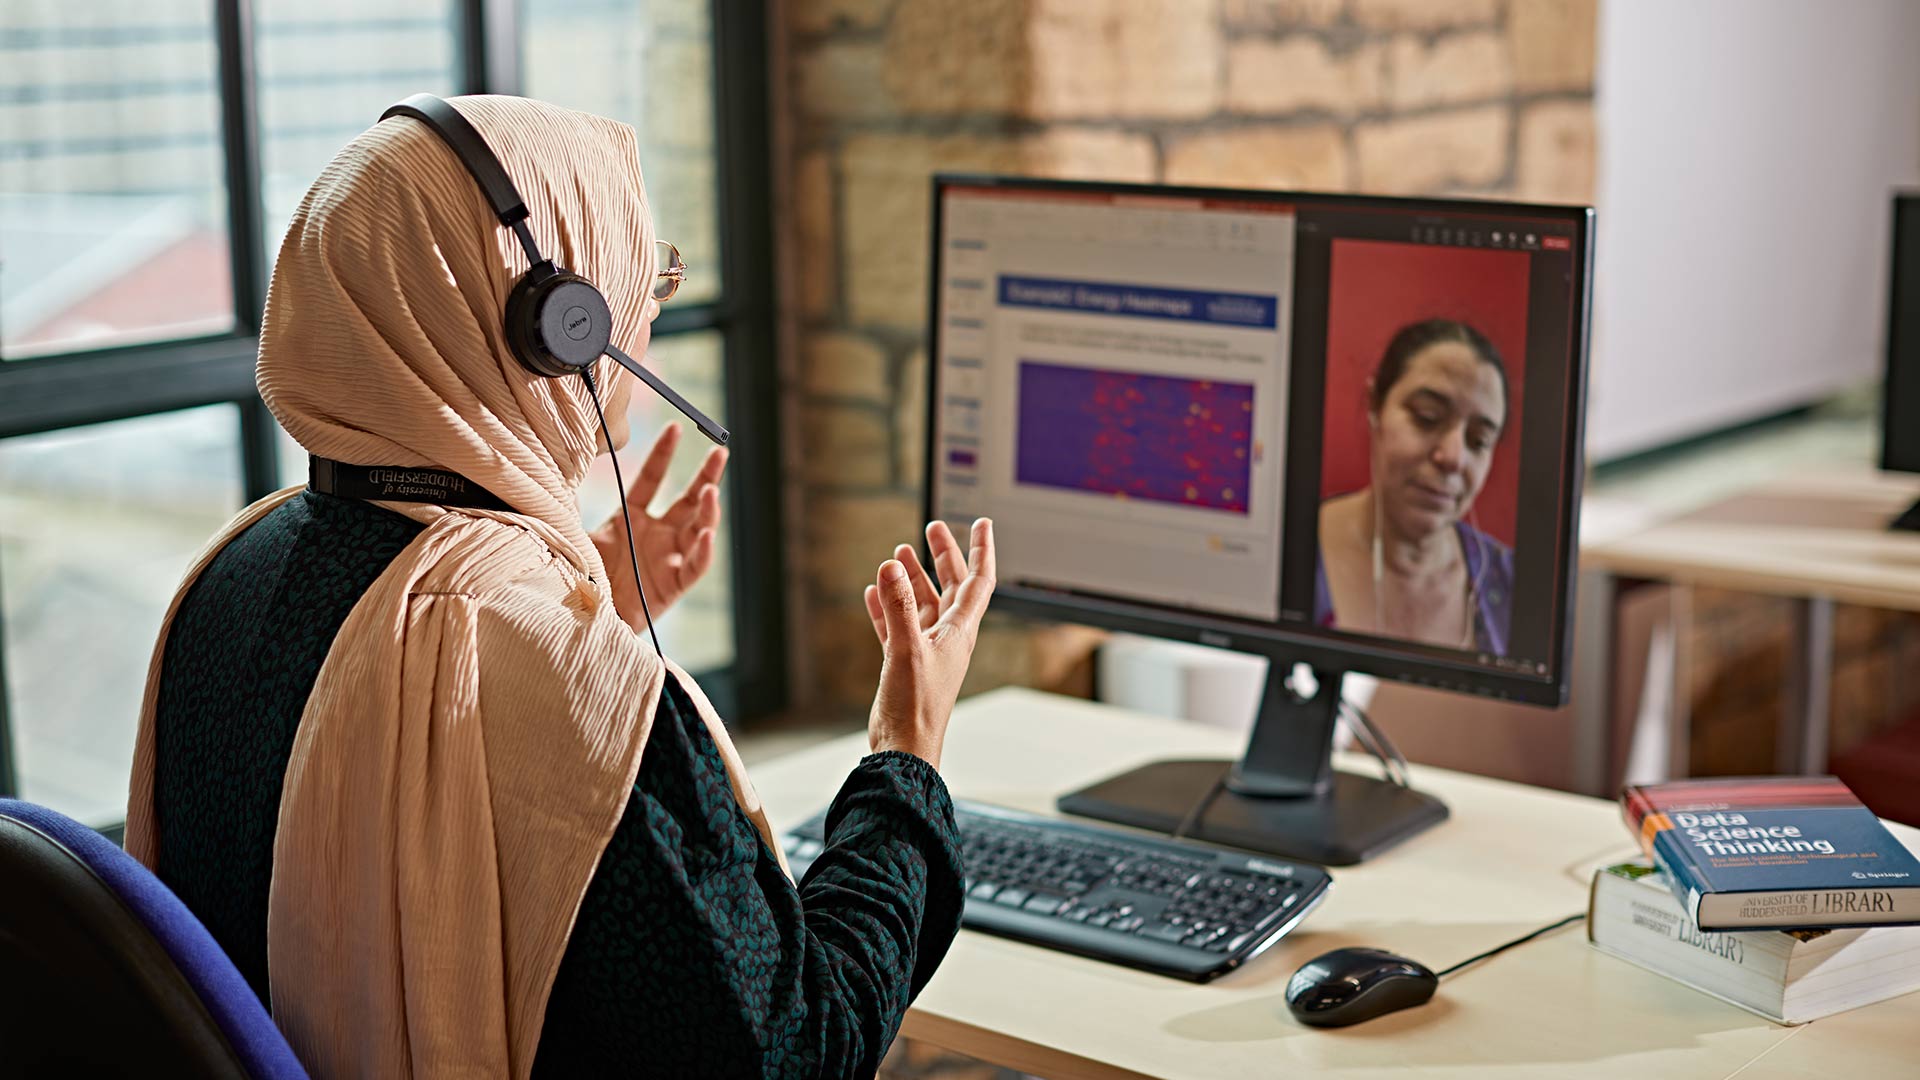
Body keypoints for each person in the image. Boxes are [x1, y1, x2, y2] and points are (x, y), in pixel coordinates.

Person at [121, 95, 995, 1078]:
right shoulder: (574, 704)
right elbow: (799, 1048)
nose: (649, 307)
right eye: (643, 276)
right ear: (558, 328)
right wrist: (905, 756)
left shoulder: (237, 568)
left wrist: (590, 609)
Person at [1315, 318, 1514, 656]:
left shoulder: (1511, 586)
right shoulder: (1282, 553)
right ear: (1375, 405)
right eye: (1427, 417)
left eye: (1478, 441)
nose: (1453, 457)